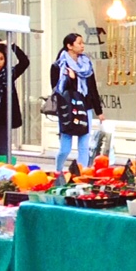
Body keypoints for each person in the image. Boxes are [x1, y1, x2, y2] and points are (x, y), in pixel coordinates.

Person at [51, 32, 103, 174]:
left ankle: (82, 173)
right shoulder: (57, 66)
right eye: (79, 43)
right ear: (69, 46)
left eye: (82, 43)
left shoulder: (86, 65)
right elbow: (59, 91)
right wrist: (72, 79)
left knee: (84, 145)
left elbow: (92, 88)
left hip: (85, 107)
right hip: (67, 110)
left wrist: (99, 111)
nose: (82, 46)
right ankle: (58, 171)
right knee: (65, 148)